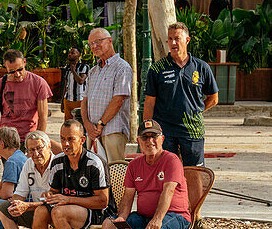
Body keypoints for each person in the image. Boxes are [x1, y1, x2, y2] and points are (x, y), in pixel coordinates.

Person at [101, 119, 191, 229]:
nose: (150, 141)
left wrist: (157, 220)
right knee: (109, 225)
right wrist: (122, 217)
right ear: (139, 141)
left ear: (162, 139)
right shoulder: (134, 165)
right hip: (143, 215)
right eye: (145, 137)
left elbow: (168, 192)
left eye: (154, 136)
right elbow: (128, 197)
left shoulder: (171, 160)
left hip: (176, 215)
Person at [21, 120, 108, 229]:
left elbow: (102, 201)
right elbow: (54, 191)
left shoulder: (94, 162)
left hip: (94, 211)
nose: (66, 144)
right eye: (62, 139)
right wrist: (49, 195)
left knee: (59, 212)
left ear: (82, 140)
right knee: (40, 211)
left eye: (71, 139)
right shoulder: (58, 162)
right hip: (66, 207)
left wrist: (68, 199)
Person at [144, 22, 219, 166]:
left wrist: (196, 111)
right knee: (166, 173)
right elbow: (149, 102)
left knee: (195, 176)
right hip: (165, 132)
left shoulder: (202, 67)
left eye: (177, 38)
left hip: (193, 132)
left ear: (187, 40)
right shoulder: (157, 69)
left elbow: (213, 98)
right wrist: (147, 131)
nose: (173, 43)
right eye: (170, 39)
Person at [0, 130, 59, 229]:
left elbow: (54, 201)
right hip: (37, 210)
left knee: (44, 211)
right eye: (31, 150)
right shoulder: (29, 164)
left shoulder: (58, 164)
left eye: (39, 148)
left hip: (55, 212)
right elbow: (19, 193)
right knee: (3, 207)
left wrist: (26, 206)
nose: (35, 154)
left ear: (48, 146)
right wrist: (16, 203)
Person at [0, 50, 51, 170]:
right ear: (6, 68)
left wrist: (36, 145)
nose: (17, 74)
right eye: (12, 71)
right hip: (7, 141)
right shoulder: (0, 84)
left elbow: (43, 117)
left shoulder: (38, 83)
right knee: (12, 179)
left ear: (24, 62)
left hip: (29, 139)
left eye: (20, 69)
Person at [80, 28, 133, 163]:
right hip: (93, 133)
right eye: (91, 43)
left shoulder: (122, 68)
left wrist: (100, 125)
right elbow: (84, 100)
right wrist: (86, 124)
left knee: (114, 173)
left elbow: (118, 100)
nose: (94, 46)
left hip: (112, 130)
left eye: (98, 41)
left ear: (110, 41)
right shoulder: (93, 71)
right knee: (96, 175)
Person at [60, 47, 90, 121]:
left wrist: (73, 71)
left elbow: (81, 81)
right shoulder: (67, 68)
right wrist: (62, 102)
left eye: (73, 53)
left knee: (80, 122)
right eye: (69, 53)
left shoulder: (84, 67)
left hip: (80, 100)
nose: (70, 55)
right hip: (68, 100)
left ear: (79, 55)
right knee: (68, 123)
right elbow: (66, 85)